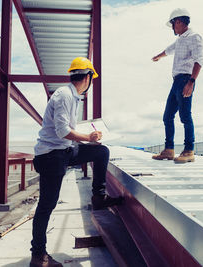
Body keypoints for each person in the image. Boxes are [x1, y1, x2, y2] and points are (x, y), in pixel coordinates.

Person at [30, 57, 123, 267]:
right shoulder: (64, 95)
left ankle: (98, 196)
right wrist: (88, 138)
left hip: (64, 151)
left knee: (101, 152)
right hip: (51, 156)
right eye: (92, 78)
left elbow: (68, 130)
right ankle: (38, 256)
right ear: (88, 76)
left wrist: (90, 137)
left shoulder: (74, 97)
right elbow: (63, 132)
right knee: (47, 205)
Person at [151, 8, 203, 163]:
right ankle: (169, 150)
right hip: (176, 82)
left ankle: (189, 151)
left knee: (185, 116)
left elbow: (199, 61)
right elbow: (170, 49)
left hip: (186, 80)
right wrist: (159, 56)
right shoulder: (181, 39)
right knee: (167, 116)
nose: (172, 28)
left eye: (173, 24)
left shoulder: (194, 37)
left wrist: (191, 82)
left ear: (179, 22)